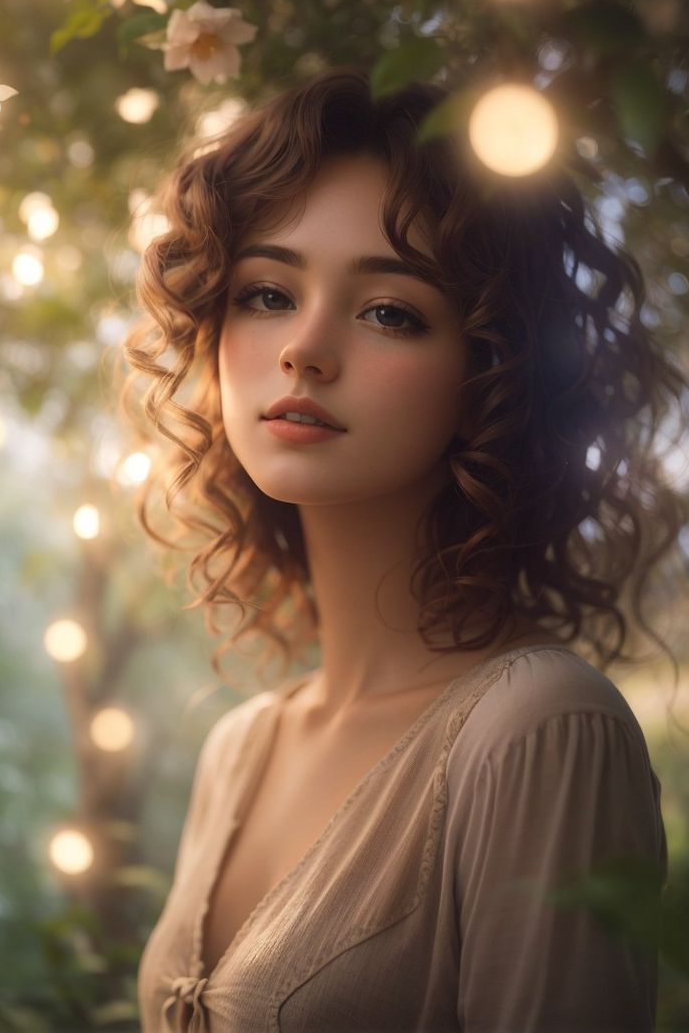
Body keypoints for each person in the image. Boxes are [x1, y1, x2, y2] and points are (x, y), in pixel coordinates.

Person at [124, 66, 682, 1032]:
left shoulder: (539, 730)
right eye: (265, 292)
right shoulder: (238, 748)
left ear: (491, 373)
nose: (305, 346)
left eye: (389, 310)